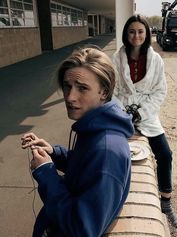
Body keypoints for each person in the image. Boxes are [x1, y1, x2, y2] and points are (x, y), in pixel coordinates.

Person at [21, 47, 134, 237]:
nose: (70, 97)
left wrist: (47, 173)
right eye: (67, 86)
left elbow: (83, 230)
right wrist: (53, 154)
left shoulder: (107, 152)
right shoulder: (95, 126)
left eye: (82, 88)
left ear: (104, 92)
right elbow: (86, 166)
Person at [112, 14, 177, 229]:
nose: (136, 35)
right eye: (132, 31)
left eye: (140, 31)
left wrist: (140, 113)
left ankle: (166, 203)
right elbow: (111, 90)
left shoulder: (156, 60)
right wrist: (124, 112)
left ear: (147, 33)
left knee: (165, 154)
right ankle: (114, 199)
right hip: (121, 112)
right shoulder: (116, 58)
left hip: (147, 115)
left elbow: (160, 91)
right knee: (112, 151)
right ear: (126, 34)